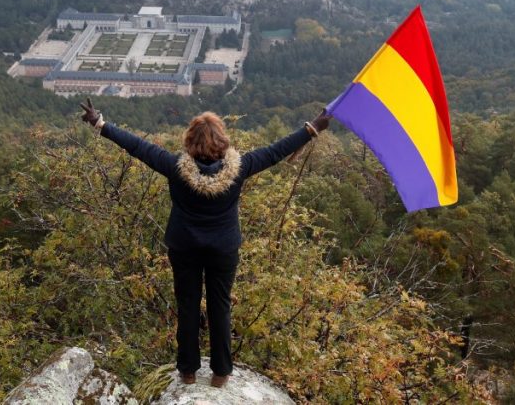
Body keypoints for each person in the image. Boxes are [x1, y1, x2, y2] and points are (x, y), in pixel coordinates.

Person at [79, 98, 331, 388]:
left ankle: (187, 370)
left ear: (190, 141)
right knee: (219, 306)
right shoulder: (241, 167)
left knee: (187, 305)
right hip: (223, 249)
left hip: (184, 247)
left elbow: (137, 146)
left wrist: (100, 123)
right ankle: (221, 372)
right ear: (223, 141)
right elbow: (276, 152)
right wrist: (314, 128)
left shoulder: (174, 167)